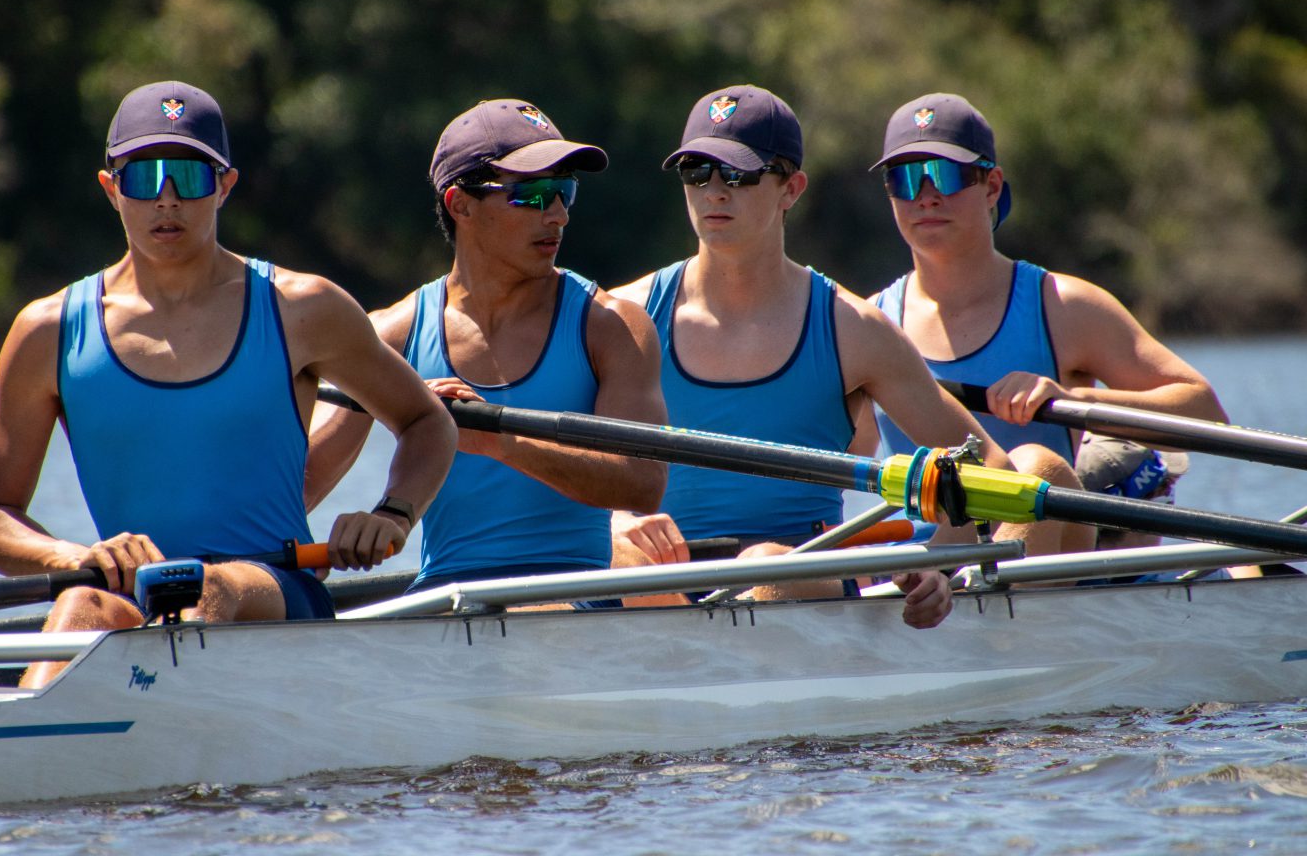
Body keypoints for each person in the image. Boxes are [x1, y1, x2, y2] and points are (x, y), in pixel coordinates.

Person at [0, 81, 457, 685]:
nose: (167, 200)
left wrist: (395, 514)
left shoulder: (302, 308)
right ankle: (32, 748)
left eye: (191, 177)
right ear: (110, 188)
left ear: (225, 185)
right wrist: (74, 557)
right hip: (133, 602)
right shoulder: (47, 331)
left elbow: (427, 420)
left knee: (210, 584)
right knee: (78, 605)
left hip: (277, 592)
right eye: (144, 177)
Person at [609, 85, 1026, 629]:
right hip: (664, 583)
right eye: (697, 172)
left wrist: (940, 564)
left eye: (738, 174)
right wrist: (613, 525)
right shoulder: (625, 316)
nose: (714, 191)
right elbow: (554, 480)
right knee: (617, 553)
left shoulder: (853, 329)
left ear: (792, 188)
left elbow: (986, 469)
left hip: (800, 578)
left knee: (764, 565)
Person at [308, 99, 667, 596]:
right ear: (461, 204)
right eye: (535, 195)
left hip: (571, 598)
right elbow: (304, 480)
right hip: (445, 596)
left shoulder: (611, 327)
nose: (559, 215)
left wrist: (497, 439)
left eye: (565, 192)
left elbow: (643, 483)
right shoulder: (390, 334)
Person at [863, 92, 1227, 551]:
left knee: (1032, 463)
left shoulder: (1063, 306)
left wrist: (1072, 398)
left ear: (992, 186)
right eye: (906, 180)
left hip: (1042, 553)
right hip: (920, 561)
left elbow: (1207, 413)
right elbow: (836, 459)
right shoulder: (871, 321)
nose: (926, 197)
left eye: (946, 174)